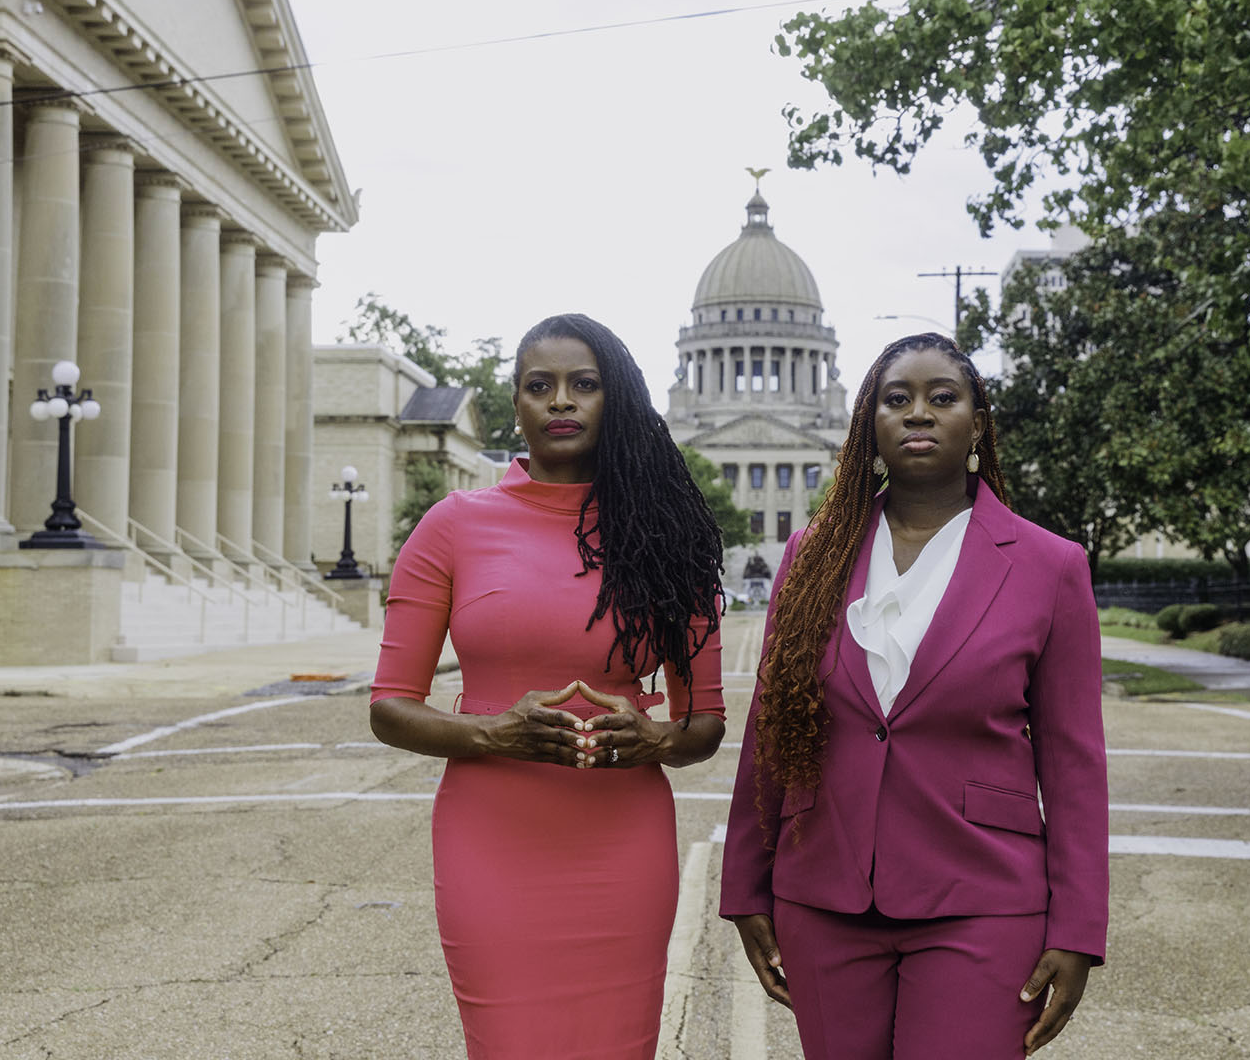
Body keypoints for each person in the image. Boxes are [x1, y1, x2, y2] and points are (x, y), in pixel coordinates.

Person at [720, 333, 1108, 1059]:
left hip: (983, 896)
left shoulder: (1050, 566)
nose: (918, 413)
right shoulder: (813, 555)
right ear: (870, 424)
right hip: (824, 893)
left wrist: (1079, 929)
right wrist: (745, 885)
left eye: (942, 397)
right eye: (897, 399)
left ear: (978, 423)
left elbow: (1075, 763)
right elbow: (770, 729)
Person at [370, 313, 727, 1060]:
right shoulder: (453, 526)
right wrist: (489, 733)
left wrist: (653, 738)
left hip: (621, 842)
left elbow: (704, 728)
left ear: (614, 400)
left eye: (583, 385)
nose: (561, 401)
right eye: (541, 386)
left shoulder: (667, 535)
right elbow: (389, 707)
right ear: (518, 405)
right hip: (491, 836)